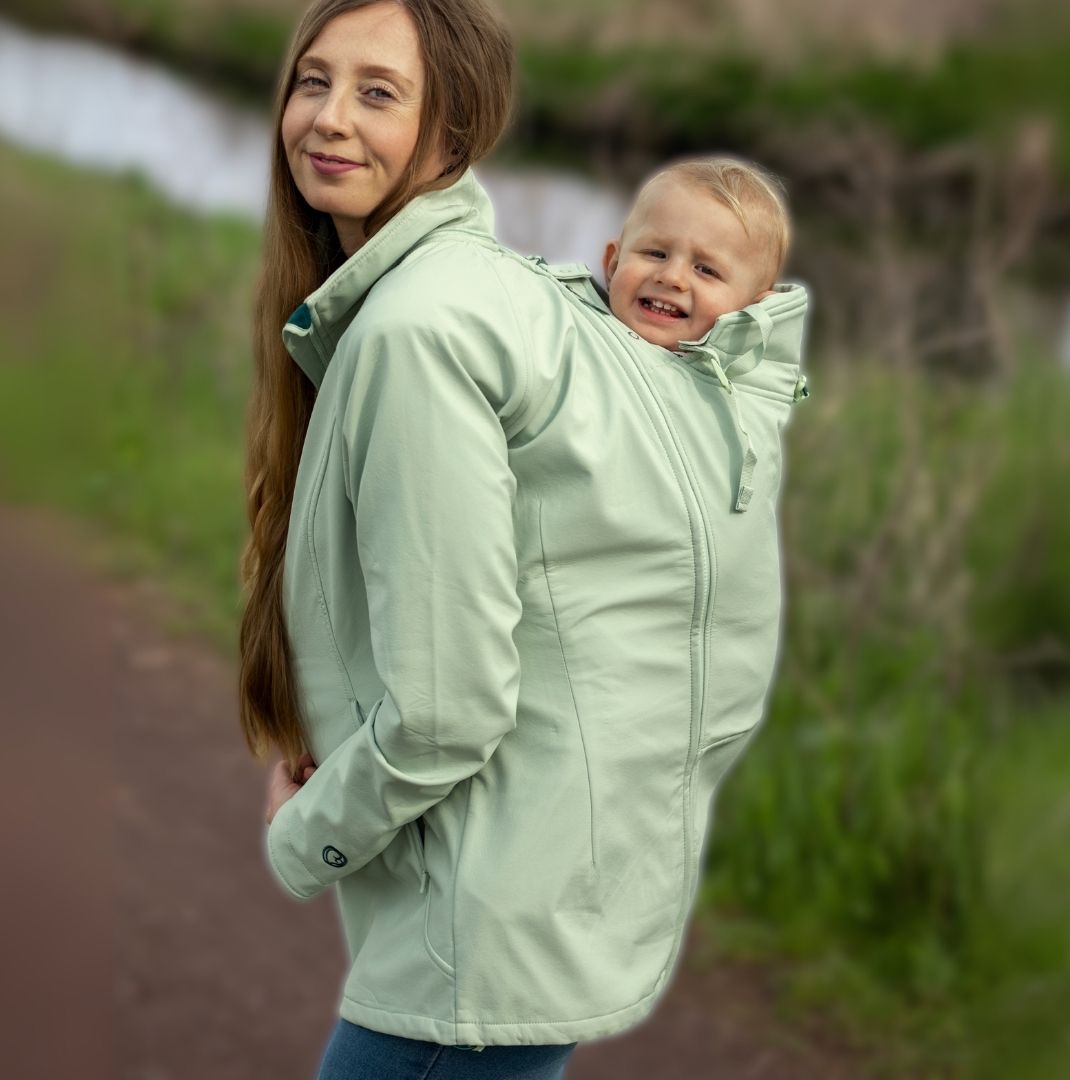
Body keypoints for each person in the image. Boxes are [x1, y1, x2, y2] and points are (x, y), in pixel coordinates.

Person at [239, 1, 810, 1077]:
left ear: (455, 126)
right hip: (540, 907)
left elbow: (447, 711)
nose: (329, 118)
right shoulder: (490, 295)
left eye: (378, 92)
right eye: (314, 80)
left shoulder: (422, 326)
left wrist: (306, 834)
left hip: (477, 946)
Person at [602, 156, 791, 351]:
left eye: (705, 270)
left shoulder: (749, 372)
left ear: (753, 313)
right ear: (613, 265)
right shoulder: (580, 332)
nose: (671, 277)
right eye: (656, 254)